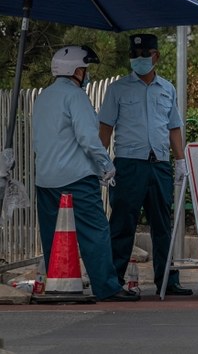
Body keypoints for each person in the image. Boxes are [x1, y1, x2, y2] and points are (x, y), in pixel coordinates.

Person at [33, 46, 139, 302]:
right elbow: (89, 138)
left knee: (53, 235)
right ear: (76, 71)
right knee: (95, 232)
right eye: (85, 69)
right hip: (77, 178)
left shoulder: (43, 97)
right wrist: (105, 165)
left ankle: (59, 284)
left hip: (45, 178)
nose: (87, 74)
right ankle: (106, 286)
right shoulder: (76, 97)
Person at [99, 34, 192, 297]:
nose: (138, 60)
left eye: (144, 55)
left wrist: (180, 160)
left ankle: (167, 281)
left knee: (162, 225)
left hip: (159, 164)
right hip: (129, 165)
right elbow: (105, 127)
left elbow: (174, 127)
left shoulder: (167, 89)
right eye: (134, 56)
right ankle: (113, 281)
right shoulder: (118, 89)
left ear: (156, 57)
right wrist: (101, 161)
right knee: (122, 224)